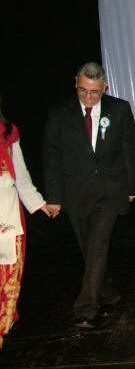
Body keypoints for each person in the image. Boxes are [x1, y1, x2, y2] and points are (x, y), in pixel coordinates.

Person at [43, 62, 135, 328]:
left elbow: (129, 150)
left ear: (104, 87)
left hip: (109, 191)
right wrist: (53, 196)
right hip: (76, 192)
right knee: (90, 249)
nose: (88, 97)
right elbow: (51, 157)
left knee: (97, 246)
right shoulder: (59, 113)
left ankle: (86, 308)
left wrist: (132, 186)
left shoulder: (119, 109)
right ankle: (109, 292)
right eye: (83, 90)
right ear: (76, 82)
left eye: (95, 92)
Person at [0, 93, 51, 348]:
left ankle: (4, 320)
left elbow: (19, 172)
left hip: (7, 207)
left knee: (9, 268)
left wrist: (37, 202)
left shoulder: (9, 132)